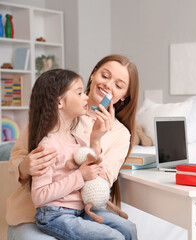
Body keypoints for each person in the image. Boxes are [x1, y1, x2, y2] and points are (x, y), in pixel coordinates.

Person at [6, 54, 139, 240]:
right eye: (105, 76)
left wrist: (96, 139)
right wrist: (24, 167)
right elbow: (16, 157)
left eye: (118, 85)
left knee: (127, 229)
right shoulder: (54, 116)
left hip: (81, 209)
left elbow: (98, 185)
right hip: (35, 213)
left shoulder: (120, 134)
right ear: (93, 75)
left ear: (124, 96)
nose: (108, 85)